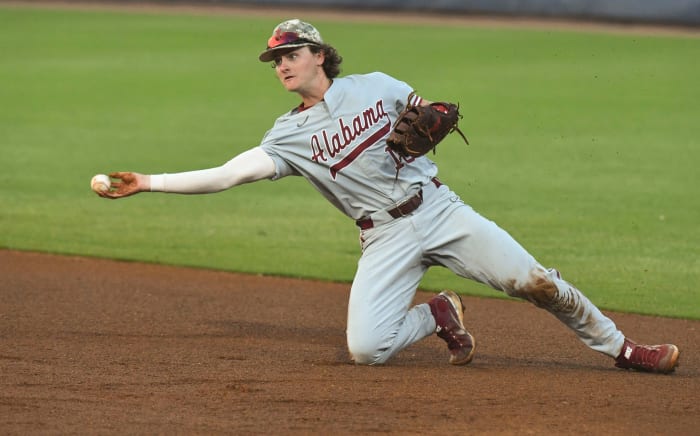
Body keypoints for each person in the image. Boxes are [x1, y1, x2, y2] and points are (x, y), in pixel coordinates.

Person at [97, 19, 679, 373]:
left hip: (440, 211)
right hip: (384, 236)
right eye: (275, 60)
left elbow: (427, 115)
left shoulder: (377, 86)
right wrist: (149, 182)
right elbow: (227, 174)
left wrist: (429, 117)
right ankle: (438, 313)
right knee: (366, 350)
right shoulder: (288, 137)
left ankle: (625, 349)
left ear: (319, 54)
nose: (282, 66)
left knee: (534, 283)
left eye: (290, 55)